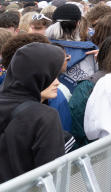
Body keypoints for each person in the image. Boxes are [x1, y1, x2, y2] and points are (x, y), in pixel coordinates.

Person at [0, 42, 75, 183]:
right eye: (51, 75)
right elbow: (52, 176)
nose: (57, 82)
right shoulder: (45, 117)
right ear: (36, 75)